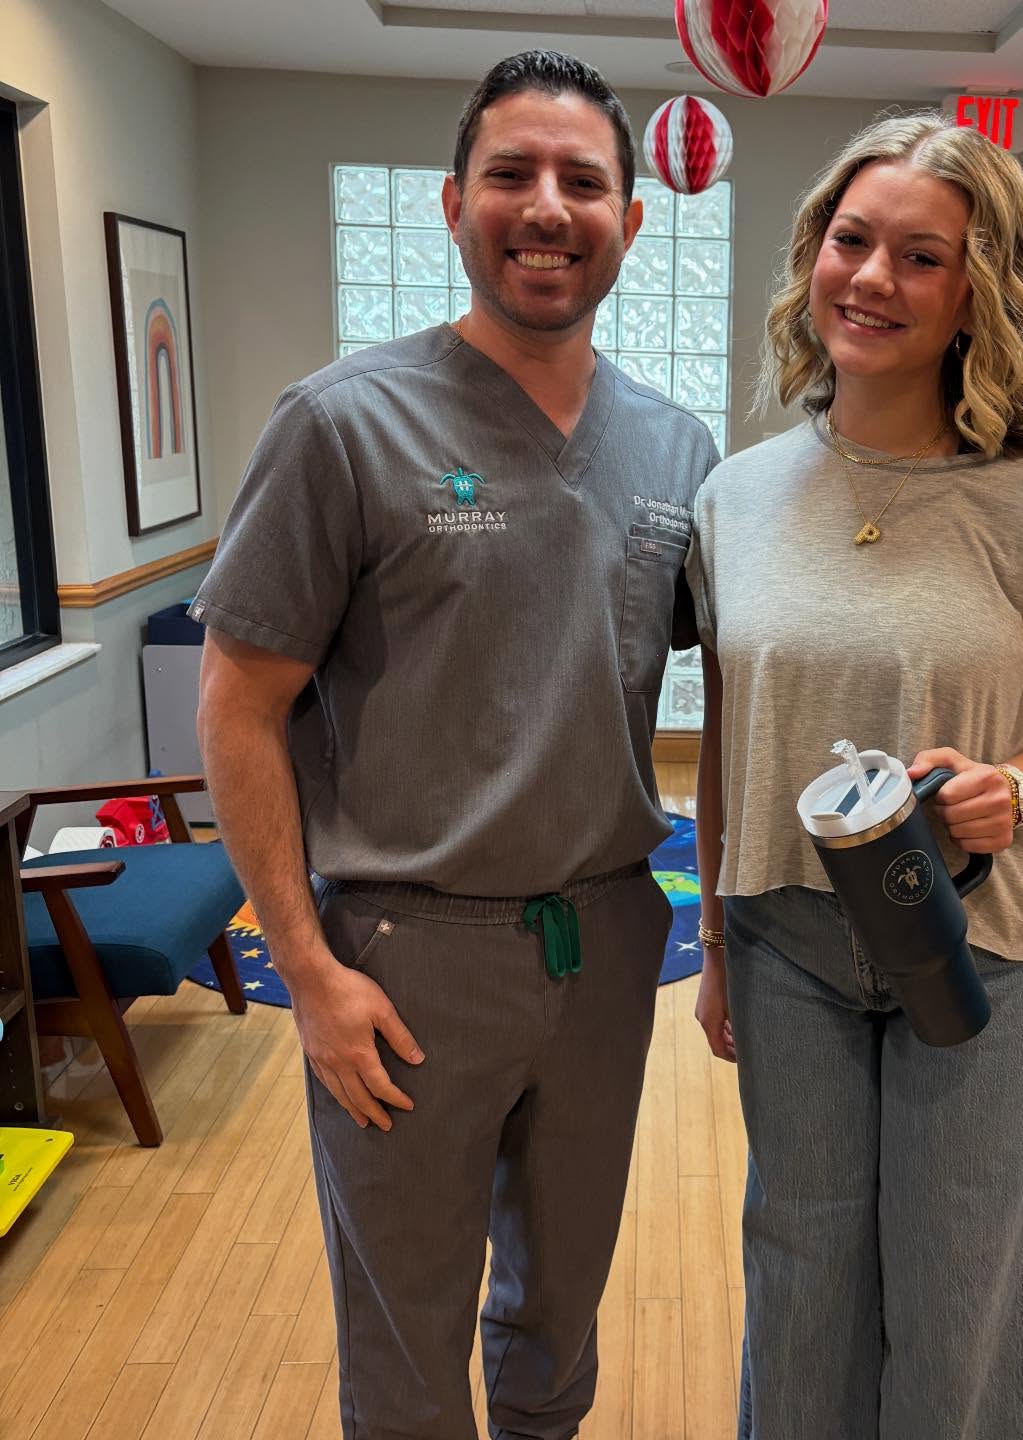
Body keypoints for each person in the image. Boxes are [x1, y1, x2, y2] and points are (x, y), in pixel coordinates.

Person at [193, 50, 717, 1440]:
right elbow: (239, 706)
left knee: (561, 1312)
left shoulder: (677, 450)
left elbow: (735, 691)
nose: (547, 208)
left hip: (607, 940)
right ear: (453, 203)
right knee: (410, 1331)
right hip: (404, 958)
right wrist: (307, 970)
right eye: (512, 175)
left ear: (632, 216)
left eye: (583, 181)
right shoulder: (342, 426)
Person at [686, 113, 1023, 1439]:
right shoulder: (740, 498)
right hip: (788, 942)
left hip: (982, 946)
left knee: (960, 1296)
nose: (873, 278)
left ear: (974, 297)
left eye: (921, 257)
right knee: (802, 1276)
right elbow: (726, 740)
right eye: (852, 240)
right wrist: (712, 942)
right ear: (813, 256)